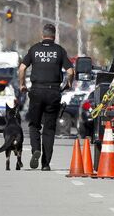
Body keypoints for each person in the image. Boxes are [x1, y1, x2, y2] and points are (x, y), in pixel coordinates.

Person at [18, 24, 74, 171]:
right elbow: (70, 70)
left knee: (34, 125)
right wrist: (68, 83)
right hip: (53, 92)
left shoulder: (34, 49)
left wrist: (22, 84)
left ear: (42, 35)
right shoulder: (59, 51)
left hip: (36, 91)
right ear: (54, 35)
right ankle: (46, 164)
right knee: (49, 129)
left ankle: (36, 149)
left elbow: (22, 68)